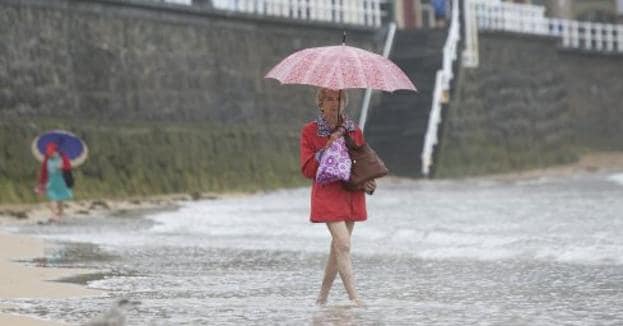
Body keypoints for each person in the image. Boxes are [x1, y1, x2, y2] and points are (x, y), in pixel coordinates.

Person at [300, 88, 376, 306]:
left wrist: (368, 181)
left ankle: (321, 298)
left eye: (339, 98)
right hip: (326, 193)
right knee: (343, 243)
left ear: (345, 102)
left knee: (338, 247)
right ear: (321, 103)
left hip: (351, 193)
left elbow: (362, 164)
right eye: (330, 99)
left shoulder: (353, 130)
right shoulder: (310, 131)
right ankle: (355, 297)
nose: (335, 103)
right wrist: (326, 148)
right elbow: (306, 170)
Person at [36, 142, 73, 223]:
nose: (49, 154)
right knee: (51, 196)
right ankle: (53, 215)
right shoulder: (46, 160)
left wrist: (62, 167)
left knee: (60, 198)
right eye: (48, 153)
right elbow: (43, 172)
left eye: (51, 152)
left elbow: (69, 167)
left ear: (55, 151)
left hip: (61, 180)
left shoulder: (63, 157)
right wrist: (41, 184)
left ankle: (60, 213)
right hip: (51, 181)